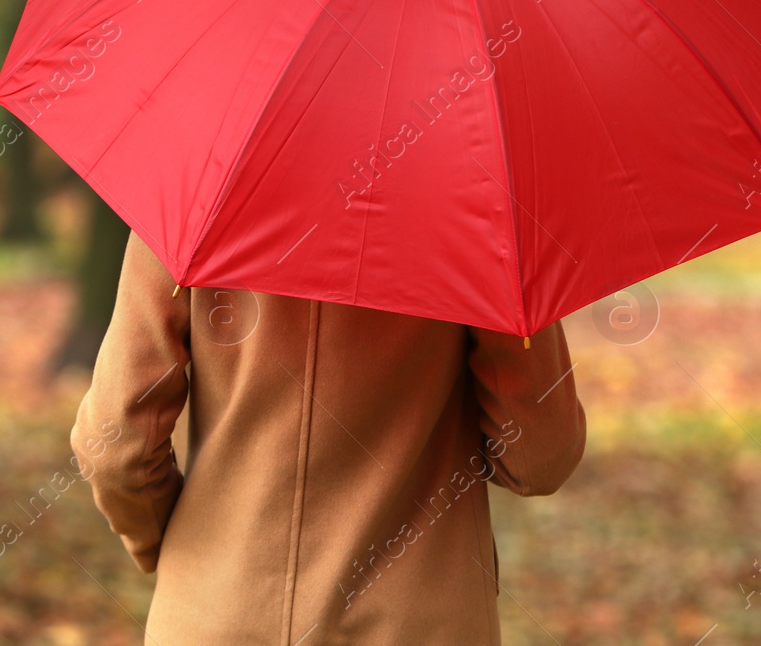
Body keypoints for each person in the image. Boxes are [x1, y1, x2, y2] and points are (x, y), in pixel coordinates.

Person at [70, 232, 587, 645]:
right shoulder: (482, 228)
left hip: (216, 614)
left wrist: (172, 544)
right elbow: (539, 457)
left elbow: (117, 448)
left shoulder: (192, 208)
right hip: (419, 622)